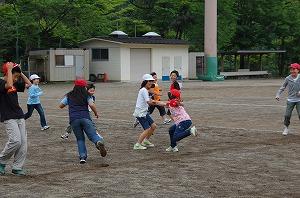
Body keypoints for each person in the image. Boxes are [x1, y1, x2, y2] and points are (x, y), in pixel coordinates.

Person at [59, 79, 106, 164]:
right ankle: (98, 142)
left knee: (80, 139)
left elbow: (61, 105)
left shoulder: (69, 95)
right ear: (84, 87)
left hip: (74, 119)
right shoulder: (86, 95)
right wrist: (96, 113)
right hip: (85, 118)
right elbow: (91, 105)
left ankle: (82, 157)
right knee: (93, 135)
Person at [0, 62, 32, 176]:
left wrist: (20, 72)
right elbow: (8, 85)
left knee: (23, 143)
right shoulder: (2, 82)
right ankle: (1, 161)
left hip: (19, 116)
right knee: (15, 141)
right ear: (7, 73)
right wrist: (9, 70)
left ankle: (17, 167)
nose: (16, 79)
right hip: (8, 117)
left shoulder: (14, 83)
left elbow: (29, 84)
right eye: (15, 76)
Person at [133, 74, 158, 150]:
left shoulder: (145, 90)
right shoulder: (144, 90)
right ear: (145, 82)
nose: (151, 83)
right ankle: (137, 145)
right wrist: (161, 103)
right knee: (147, 129)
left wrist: (161, 103)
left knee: (153, 126)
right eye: (149, 81)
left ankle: (146, 141)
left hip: (144, 112)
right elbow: (149, 102)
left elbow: (150, 101)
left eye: (152, 81)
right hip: (140, 113)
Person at [276, 63, 300, 135]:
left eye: (294, 69)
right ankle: (286, 128)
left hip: (299, 100)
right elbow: (283, 87)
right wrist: (278, 94)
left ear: (298, 70)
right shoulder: (288, 78)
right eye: (291, 69)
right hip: (290, 100)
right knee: (287, 115)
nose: (292, 71)